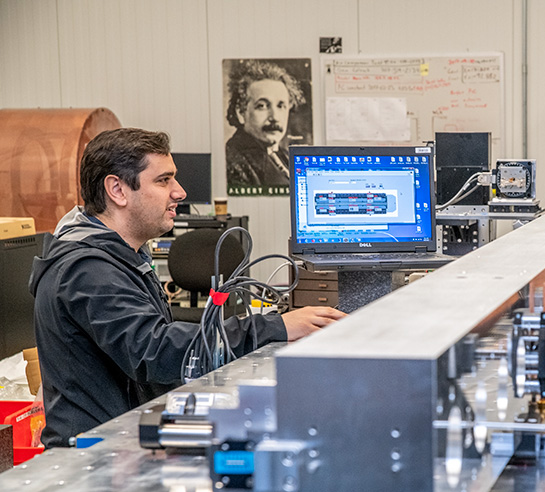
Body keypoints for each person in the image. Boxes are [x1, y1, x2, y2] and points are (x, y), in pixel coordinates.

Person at [30, 128, 344, 448]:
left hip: (123, 440)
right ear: (117, 190)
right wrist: (273, 327)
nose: (179, 192)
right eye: (164, 180)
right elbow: (154, 350)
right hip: (93, 457)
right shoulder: (87, 270)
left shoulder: (121, 256)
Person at [225, 59, 303, 190]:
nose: (274, 117)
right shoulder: (233, 161)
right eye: (262, 106)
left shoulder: (285, 156)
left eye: (281, 106)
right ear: (240, 112)